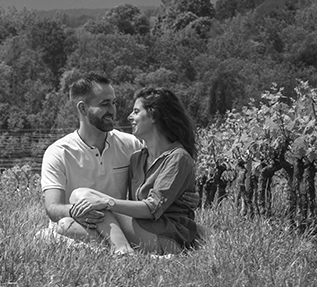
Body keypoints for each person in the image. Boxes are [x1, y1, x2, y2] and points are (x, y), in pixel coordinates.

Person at [63, 87, 202, 255]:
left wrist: (105, 202)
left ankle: (122, 250)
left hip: (168, 235)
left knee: (82, 196)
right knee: (65, 224)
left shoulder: (178, 157)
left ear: (154, 115)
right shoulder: (137, 159)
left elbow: (152, 208)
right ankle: (121, 248)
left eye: (136, 111)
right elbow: (133, 204)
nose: (130, 116)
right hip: (144, 229)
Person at [41, 73, 144, 241]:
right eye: (105, 104)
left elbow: (151, 188)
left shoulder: (130, 145)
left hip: (118, 224)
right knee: (64, 225)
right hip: (77, 226)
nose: (112, 110)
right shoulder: (59, 152)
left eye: (113, 103)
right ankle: (121, 245)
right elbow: (53, 208)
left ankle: (116, 245)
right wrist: (77, 211)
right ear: (82, 108)